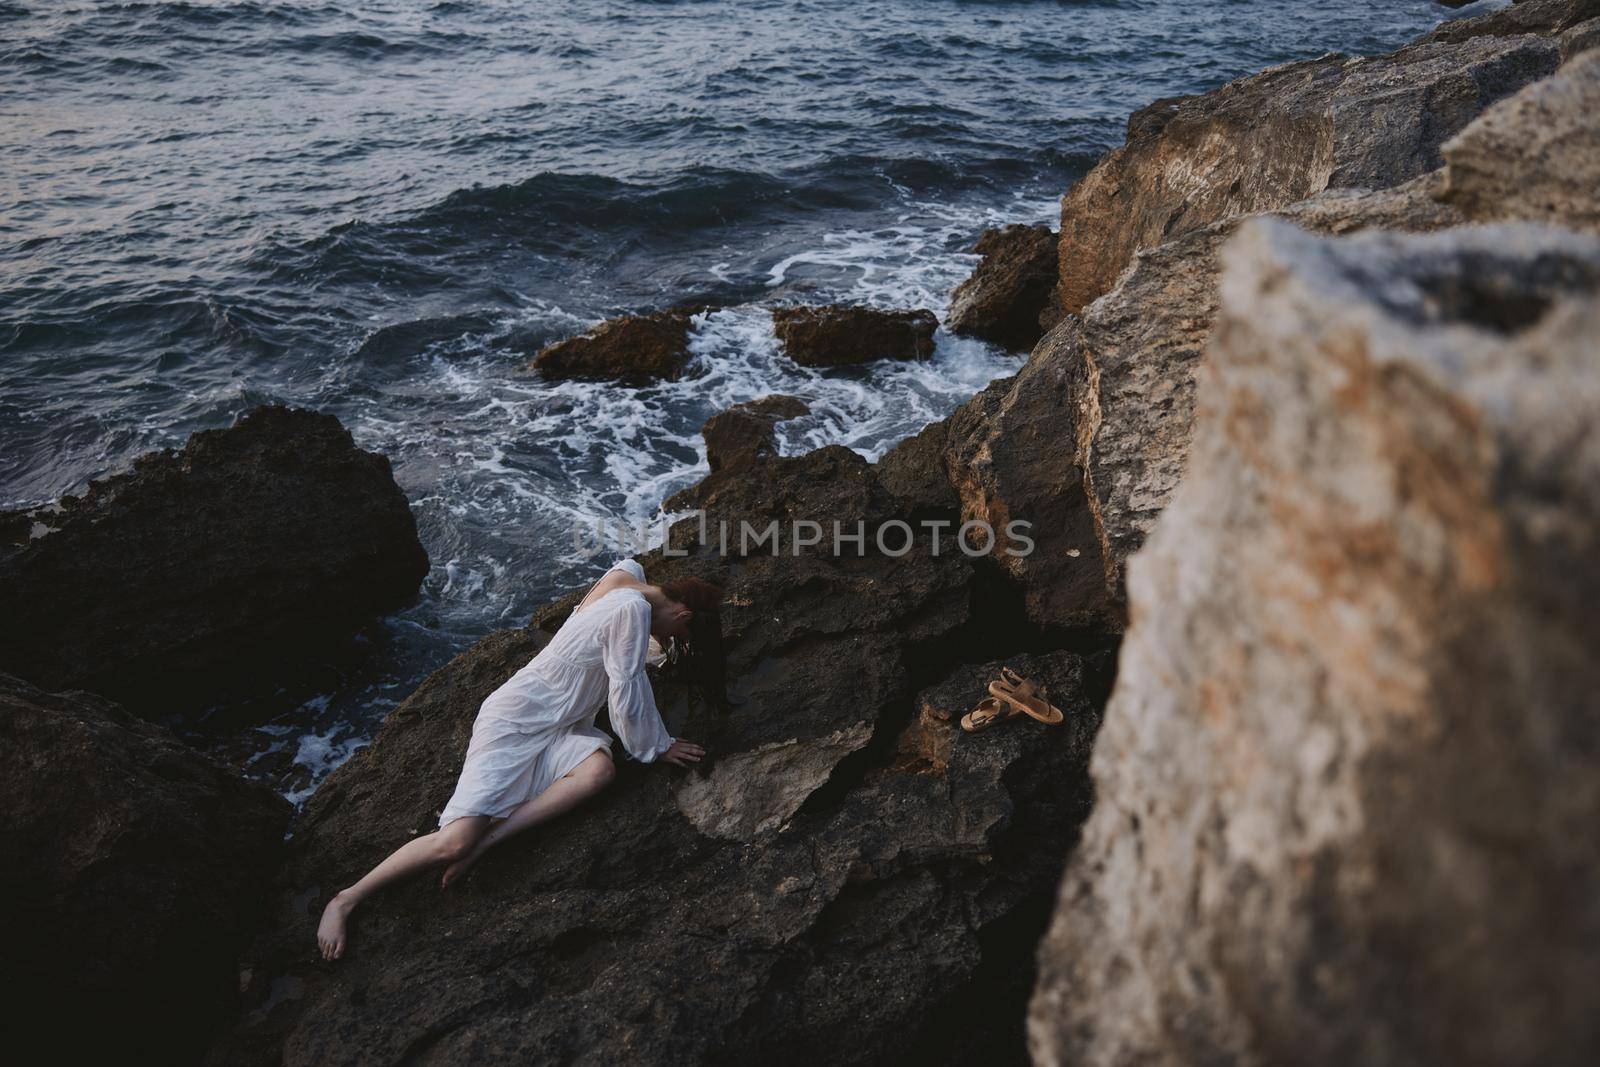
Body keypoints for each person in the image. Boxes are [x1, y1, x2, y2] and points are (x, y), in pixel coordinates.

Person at [316, 558, 729, 960]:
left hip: (562, 721)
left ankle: (491, 840)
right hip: (516, 719)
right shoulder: (634, 608)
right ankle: (347, 899)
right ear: (685, 611)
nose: (670, 641)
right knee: (454, 843)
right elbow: (626, 691)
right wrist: (657, 745)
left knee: (599, 771)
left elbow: (615, 640)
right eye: (679, 634)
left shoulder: (628, 574)